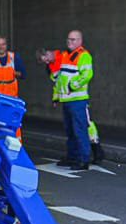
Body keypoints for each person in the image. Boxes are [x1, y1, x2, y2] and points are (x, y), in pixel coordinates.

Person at [38, 30, 98, 168]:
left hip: (77, 99)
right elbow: (60, 78)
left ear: (80, 41)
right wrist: (57, 96)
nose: (70, 42)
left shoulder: (84, 56)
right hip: (67, 100)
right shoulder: (65, 55)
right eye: (69, 40)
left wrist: (72, 85)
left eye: (73, 40)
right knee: (70, 131)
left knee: (79, 130)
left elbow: (87, 75)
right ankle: (72, 157)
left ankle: (84, 159)